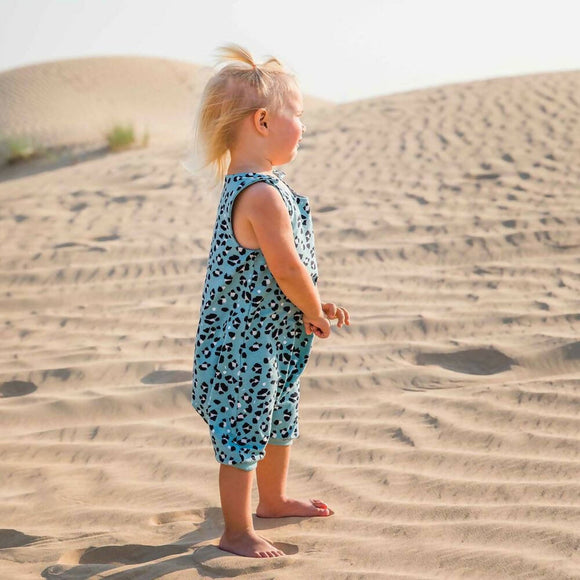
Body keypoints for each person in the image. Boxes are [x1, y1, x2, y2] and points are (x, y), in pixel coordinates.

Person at [191, 43, 350, 559]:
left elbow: (282, 271)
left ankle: (274, 499)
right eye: (297, 115)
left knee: (279, 420)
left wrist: (314, 303)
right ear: (262, 121)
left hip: (273, 339)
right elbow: (285, 268)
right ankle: (236, 529)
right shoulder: (259, 194)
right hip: (247, 345)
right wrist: (312, 307)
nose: (302, 127)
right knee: (244, 432)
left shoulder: (267, 187)